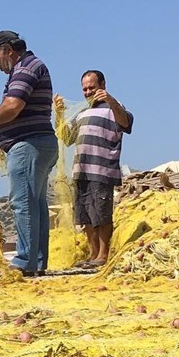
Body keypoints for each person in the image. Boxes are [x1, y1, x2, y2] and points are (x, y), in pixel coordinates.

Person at [0, 30, 59, 276]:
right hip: (40, 143)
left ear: (7, 50)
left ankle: (25, 261)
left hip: (28, 144)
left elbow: (12, 106)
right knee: (35, 202)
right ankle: (37, 261)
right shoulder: (28, 67)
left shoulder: (25, 68)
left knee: (23, 202)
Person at [54, 71, 133, 267]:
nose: (88, 92)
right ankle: (93, 254)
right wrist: (60, 114)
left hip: (102, 170)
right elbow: (66, 137)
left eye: (92, 87)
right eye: (85, 89)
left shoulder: (114, 108)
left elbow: (126, 122)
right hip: (81, 171)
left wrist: (111, 100)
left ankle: (103, 256)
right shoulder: (81, 112)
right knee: (85, 216)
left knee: (102, 214)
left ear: (103, 85)